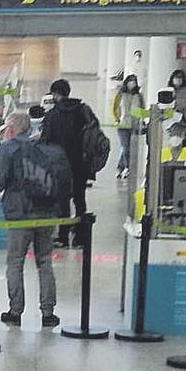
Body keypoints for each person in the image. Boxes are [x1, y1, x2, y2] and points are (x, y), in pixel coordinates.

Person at [0, 112, 68, 328]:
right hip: (46, 211)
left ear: (11, 129)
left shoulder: (7, 148)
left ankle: (15, 311)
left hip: (20, 213)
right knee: (45, 261)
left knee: (15, 262)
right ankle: (48, 312)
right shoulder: (43, 148)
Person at [41, 79, 107, 247]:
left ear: (55, 94)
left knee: (62, 201)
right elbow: (94, 132)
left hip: (59, 165)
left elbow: (46, 142)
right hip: (81, 163)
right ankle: (80, 237)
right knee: (80, 198)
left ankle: (62, 237)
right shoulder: (84, 110)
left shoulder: (52, 115)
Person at [112, 74, 144, 178]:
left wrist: (141, 121)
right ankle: (126, 168)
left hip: (134, 125)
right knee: (125, 147)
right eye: (130, 81)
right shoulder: (121, 94)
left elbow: (141, 109)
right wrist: (117, 119)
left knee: (127, 148)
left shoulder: (139, 96)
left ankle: (120, 168)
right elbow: (115, 107)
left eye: (134, 81)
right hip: (122, 125)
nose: (132, 83)